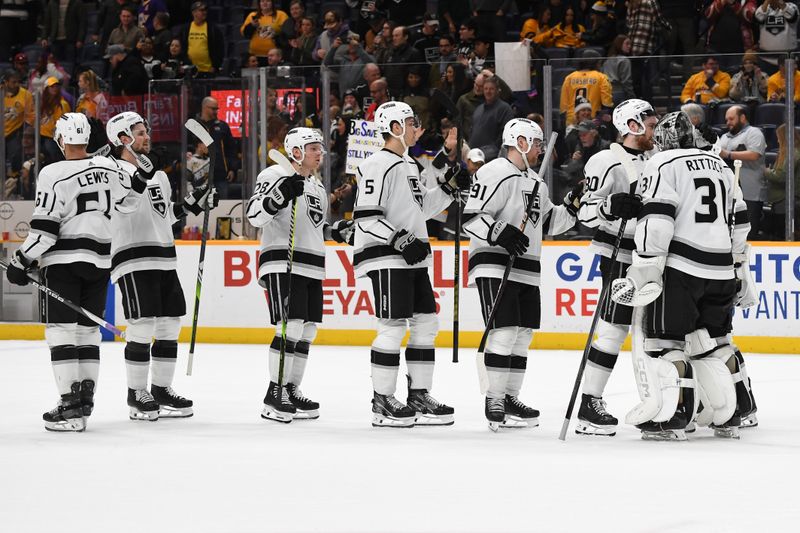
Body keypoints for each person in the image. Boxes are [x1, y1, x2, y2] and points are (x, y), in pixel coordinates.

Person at [4, 113, 144, 432]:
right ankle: (84, 403)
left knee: (61, 332)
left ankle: (69, 406)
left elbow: (45, 231)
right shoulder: (110, 168)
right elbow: (130, 204)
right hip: (99, 262)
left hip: (64, 262)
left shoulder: (53, 172)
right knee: (87, 332)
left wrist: (22, 260)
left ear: (62, 139)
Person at [617, 111, 749, 440]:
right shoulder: (719, 164)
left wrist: (647, 265)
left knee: (665, 343)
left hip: (681, 269)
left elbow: (658, 219)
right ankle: (737, 410)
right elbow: (740, 220)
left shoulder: (662, 164)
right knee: (713, 342)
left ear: (662, 141)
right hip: (720, 269)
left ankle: (673, 417)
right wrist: (737, 267)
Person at [353, 101, 467, 427]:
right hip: (388, 255)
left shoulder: (412, 165)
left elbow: (423, 209)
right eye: (410, 121)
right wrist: (401, 239)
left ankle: (418, 394)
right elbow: (366, 218)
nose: (417, 126)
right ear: (394, 127)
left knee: (427, 324)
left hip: (412, 256)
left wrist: (447, 189)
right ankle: (382, 400)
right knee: (392, 326)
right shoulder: (377, 164)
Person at [464, 118, 579, 430]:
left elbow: (549, 224)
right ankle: (495, 398)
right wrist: (500, 233)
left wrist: (572, 205)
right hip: (495, 261)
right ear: (521, 142)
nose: (541, 148)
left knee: (522, 334)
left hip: (528, 265)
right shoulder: (494, 171)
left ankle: (511, 397)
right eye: (537, 142)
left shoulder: (536, 183)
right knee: (503, 331)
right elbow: (472, 217)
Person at [106, 111, 217, 420]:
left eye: (146, 131)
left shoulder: (160, 176)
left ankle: (161, 390)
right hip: (131, 257)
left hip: (164, 257)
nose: (147, 137)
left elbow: (166, 216)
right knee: (141, 326)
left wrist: (195, 203)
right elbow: (124, 206)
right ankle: (136, 394)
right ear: (122, 139)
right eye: (140, 132)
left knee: (169, 325)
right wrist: (142, 174)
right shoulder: (111, 170)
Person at [246, 128, 354, 422]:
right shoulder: (273, 175)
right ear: (295, 151)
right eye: (313, 148)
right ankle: (274, 392)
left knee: (307, 331)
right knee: (290, 327)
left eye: (320, 147)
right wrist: (281, 194)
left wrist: (339, 232)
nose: (320, 152)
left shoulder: (316, 185)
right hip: (284, 260)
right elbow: (254, 215)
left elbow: (317, 227)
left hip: (311, 264)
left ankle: (291, 389)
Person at [574, 99, 658, 435]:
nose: (655, 126)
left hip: (654, 257)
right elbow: (584, 212)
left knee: (657, 332)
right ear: (632, 125)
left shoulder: (658, 158)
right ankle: (589, 402)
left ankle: (660, 403)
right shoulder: (605, 161)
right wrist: (610, 207)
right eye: (649, 121)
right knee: (612, 329)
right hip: (619, 254)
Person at [716, 105, 766, 239]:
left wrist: (728, 154)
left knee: (748, 232)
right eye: (726, 120)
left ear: (742, 117)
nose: (728, 123)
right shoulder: (724, 137)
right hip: (729, 192)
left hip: (751, 192)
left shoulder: (754, 132)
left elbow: (755, 154)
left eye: (731, 119)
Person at [190, 97, 240, 198]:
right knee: (200, 204)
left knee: (222, 204)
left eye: (217, 109)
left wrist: (232, 169)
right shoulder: (193, 125)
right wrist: (188, 153)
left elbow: (231, 149)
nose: (216, 111)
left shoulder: (223, 126)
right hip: (199, 174)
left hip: (220, 174)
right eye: (213, 109)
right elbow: (188, 145)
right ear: (204, 108)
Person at [560, 50, 614, 125]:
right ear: (596, 62)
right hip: (592, 120)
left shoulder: (569, 77)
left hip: (572, 120)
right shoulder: (601, 77)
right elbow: (607, 103)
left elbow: (563, 106)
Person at [468, 76, 514, 161]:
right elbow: (472, 131)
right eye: (486, 88)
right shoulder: (478, 109)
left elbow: (505, 135)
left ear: (497, 90)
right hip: (474, 157)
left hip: (492, 158)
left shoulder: (504, 109)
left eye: (491, 89)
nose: (488, 91)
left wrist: (493, 152)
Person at [2, 70, 34, 186]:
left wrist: (26, 130)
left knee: (15, 158)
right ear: (5, 82)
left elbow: (31, 115)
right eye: (13, 82)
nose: (16, 85)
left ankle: (15, 185)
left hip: (15, 132)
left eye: (18, 82)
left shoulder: (26, 95)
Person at [179, 1, 225, 77]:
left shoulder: (213, 29)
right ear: (194, 13)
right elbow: (182, 48)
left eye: (205, 10)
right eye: (201, 10)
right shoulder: (185, 29)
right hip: (190, 71)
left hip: (208, 71)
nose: (204, 12)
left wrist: (215, 66)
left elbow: (220, 49)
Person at [324, 33, 375, 99]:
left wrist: (358, 48)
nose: (352, 45)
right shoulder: (343, 60)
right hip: (345, 98)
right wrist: (334, 48)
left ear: (361, 43)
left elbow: (372, 64)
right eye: (350, 43)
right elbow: (328, 63)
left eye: (354, 42)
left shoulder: (366, 58)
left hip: (361, 97)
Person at [39, 77, 71, 165]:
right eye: (52, 87)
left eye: (56, 86)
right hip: (41, 136)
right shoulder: (42, 103)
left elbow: (66, 122)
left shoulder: (62, 104)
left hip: (53, 138)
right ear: (46, 89)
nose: (55, 88)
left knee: (53, 160)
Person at [603, 35, 635, 102]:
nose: (629, 46)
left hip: (606, 92)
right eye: (627, 43)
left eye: (630, 44)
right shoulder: (624, 60)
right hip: (619, 93)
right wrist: (632, 97)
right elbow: (626, 81)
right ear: (619, 44)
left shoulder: (607, 60)